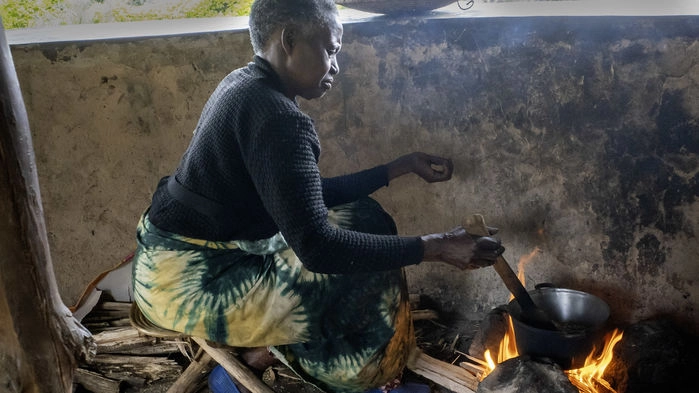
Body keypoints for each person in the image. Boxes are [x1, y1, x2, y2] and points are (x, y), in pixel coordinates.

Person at [131, 0, 503, 392]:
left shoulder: (245, 85)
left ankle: (263, 355)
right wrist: (437, 247)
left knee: (364, 217)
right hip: (184, 279)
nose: (336, 66)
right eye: (330, 50)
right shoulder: (277, 117)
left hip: (174, 255)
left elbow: (299, 197)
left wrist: (400, 166)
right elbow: (318, 249)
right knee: (355, 270)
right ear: (289, 40)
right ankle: (356, 376)